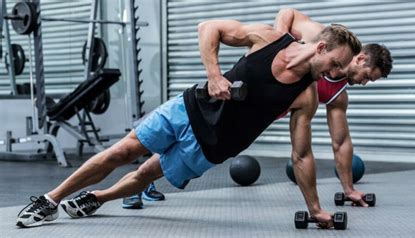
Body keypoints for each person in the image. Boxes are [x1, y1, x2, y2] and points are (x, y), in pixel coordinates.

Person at [16, 19, 361, 228]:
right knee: (122, 151)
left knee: (147, 174)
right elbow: (208, 27)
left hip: (214, 145)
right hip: (189, 108)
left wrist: (314, 208)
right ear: (320, 48)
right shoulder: (269, 39)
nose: (340, 72)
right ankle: (50, 200)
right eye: (337, 62)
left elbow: (301, 156)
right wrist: (214, 76)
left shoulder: (306, 97)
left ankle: (98, 198)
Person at [275, 8, 393, 206]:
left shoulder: (337, 95)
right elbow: (288, 13)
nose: (364, 83)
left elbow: (341, 142)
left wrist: (349, 190)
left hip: (274, 108)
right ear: (361, 58)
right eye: (367, 77)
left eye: (369, 82)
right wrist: (276, 43)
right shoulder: (322, 38)